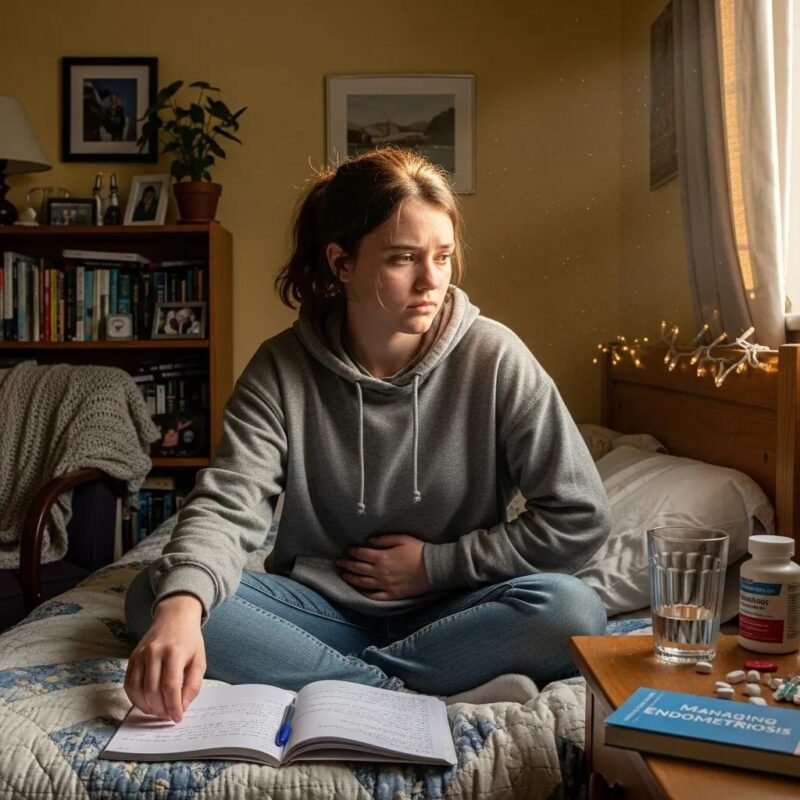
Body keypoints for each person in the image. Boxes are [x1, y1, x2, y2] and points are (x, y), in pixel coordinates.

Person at [124, 147, 610, 723]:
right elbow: (230, 501)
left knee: (573, 608)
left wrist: (438, 565)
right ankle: (400, 692)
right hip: (318, 608)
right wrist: (181, 607)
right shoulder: (281, 368)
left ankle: (339, 683)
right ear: (342, 262)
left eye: (444, 257)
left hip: (458, 609)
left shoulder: (497, 358)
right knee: (158, 594)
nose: (431, 280)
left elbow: (581, 518)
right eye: (403, 258)